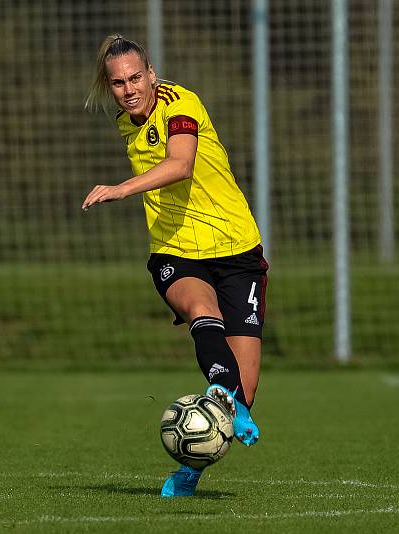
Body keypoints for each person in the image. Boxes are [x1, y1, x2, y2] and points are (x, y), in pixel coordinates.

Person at [82, 34, 269, 497]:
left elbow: (181, 163)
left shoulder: (180, 103)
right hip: (176, 250)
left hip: (236, 246)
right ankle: (221, 398)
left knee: (243, 391)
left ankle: (191, 471)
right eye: (118, 83)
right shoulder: (126, 122)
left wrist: (121, 189)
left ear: (151, 73)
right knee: (201, 314)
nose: (129, 89)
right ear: (110, 87)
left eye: (135, 78)